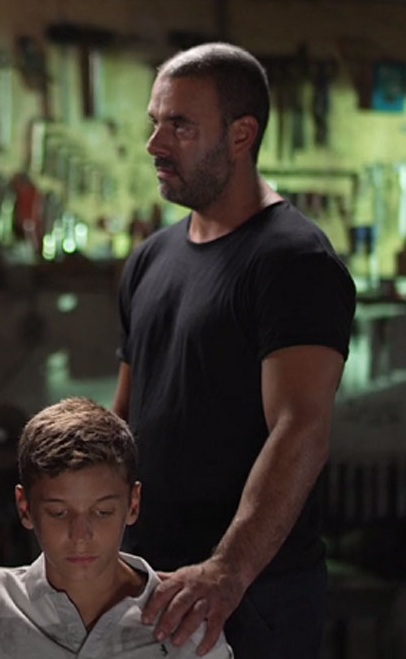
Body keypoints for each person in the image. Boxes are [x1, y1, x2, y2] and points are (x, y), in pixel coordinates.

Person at [112, 42, 356, 658]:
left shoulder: (293, 262)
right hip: (149, 583)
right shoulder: (149, 259)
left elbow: (302, 429)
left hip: (251, 595)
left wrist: (228, 570)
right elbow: (125, 417)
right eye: (155, 122)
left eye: (180, 125)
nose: (154, 144)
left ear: (241, 135)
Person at [0, 397, 233, 658]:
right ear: (25, 508)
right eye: (59, 513)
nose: (80, 536)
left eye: (102, 512)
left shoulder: (183, 621)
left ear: (133, 504)